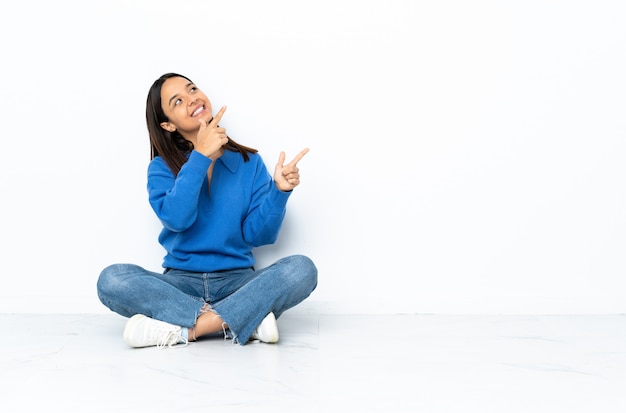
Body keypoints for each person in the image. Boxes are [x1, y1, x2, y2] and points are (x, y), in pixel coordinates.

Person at [97, 72, 317, 349]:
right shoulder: (161, 167)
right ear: (167, 125)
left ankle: (184, 330)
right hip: (180, 284)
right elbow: (177, 219)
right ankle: (243, 319)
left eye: (192, 89)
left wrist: (279, 192)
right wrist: (200, 157)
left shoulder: (249, 162)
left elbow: (258, 236)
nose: (192, 99)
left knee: (301, 269)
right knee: (112, 280)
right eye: (178, 101)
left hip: (238, 281)